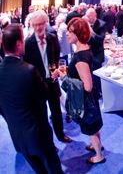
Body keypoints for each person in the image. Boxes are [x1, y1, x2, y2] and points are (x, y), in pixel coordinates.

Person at [0, 24, 64, 174]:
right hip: (38, 132)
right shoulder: (28, 70)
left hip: (17, 133)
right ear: (18, 44)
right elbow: (45, 95)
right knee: (54, 167)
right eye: (23, 39)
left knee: (38, 169)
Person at [59, 17, 105, 164]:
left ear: (78, 34)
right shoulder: (85, 48)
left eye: (70, 32)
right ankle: (99, 146)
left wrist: (64, 77)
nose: (67, 34)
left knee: (90, 128)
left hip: (85, 100)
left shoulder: (80, 57)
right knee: (94, 125)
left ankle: (99, 156)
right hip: (90, 97)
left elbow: (87, 86)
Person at [23, 10, 72, 144]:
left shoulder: (52, 38)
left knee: (56, 111)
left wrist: (56, 68)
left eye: (40, 24)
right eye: (35, 25)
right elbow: (26, 66)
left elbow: (56, 55)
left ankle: (60, 135)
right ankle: (48, 143)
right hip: (37, 84)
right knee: (42, 115)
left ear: (46, 23)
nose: (38, 28)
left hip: (52, 81)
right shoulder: (27, 43)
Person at [85, 8, 106, 95]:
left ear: (94, 16)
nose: (88, 18)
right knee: (89, 74)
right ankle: (93, 91)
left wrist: (92, 32)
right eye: (87, 16)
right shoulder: (86, 23)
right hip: (88, 53)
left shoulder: (101, 24)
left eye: (89, 16)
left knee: (96, 75)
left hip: (97, 54)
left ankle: (99, 93)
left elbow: (101, 40)